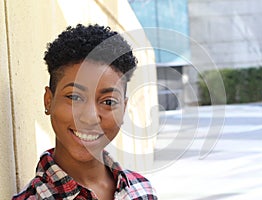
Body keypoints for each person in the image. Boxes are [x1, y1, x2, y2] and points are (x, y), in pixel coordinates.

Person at [12, 24, 157, 200]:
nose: (89, 117)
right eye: (74, 97)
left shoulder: (142, 190)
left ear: (123, 109)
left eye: (108, 101)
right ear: (48, 101)